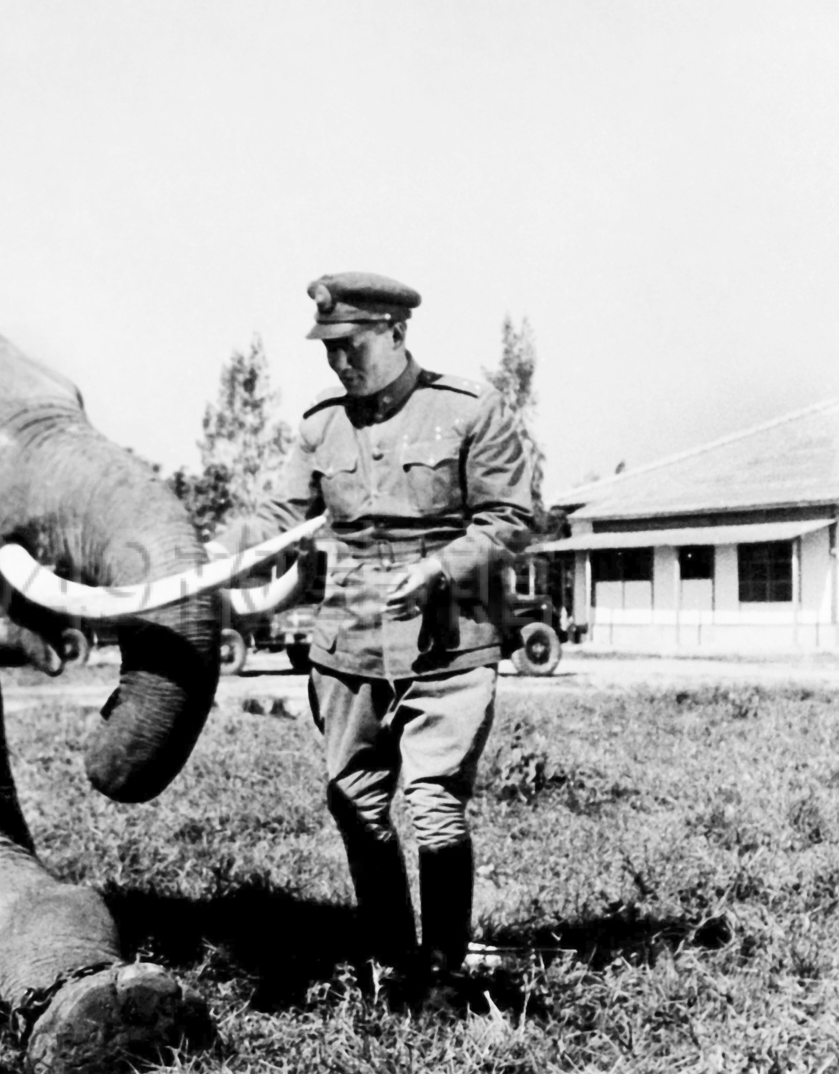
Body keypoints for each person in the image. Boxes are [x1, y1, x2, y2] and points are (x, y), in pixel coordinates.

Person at [221, 272, 534, 1004]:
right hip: (347, 644)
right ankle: (395, 964)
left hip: (448, 641)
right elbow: (276, 515)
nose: (340, 364)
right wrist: (216, 550)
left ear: (395, 332)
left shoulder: (467, 410)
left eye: (352, 346)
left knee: (433, 805)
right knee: (355, 802)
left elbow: (514, 519)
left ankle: (447, 974)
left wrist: (438, 568)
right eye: (329, 350)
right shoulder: (321, 424)